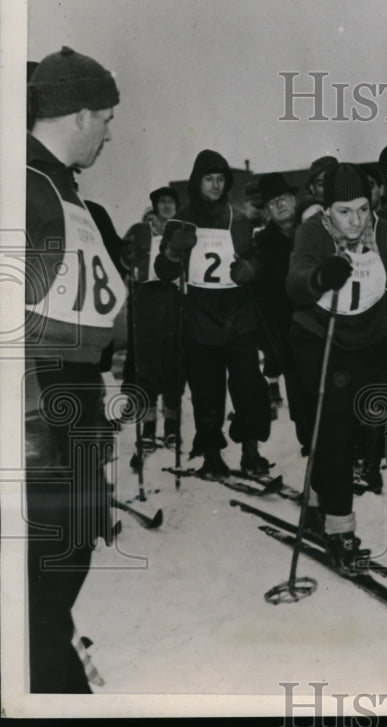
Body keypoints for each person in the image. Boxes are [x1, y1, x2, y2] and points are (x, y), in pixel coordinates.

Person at [285, 163, 387, 573]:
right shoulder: (313, 232)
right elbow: (295, 280)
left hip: (366, 340)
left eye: (362, 208)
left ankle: (321, 498)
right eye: (345, 211)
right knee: (334, 429)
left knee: (358, 428)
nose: (356, 220)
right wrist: (320, 275)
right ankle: (340, 527)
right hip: (318, 338)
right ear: (328, 211)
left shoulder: (381, 230)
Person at [24, 45, 124, 692]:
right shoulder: (26, 189)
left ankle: (49, 646)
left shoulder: (68, 195)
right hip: (40, 410)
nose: (111, 131)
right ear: (80, 113)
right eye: (108, 117)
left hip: (76, 401)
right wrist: (33, 421)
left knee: (71, 550)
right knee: (45, 568)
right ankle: (50, 678)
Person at [154, 149, 272, 477]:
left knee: (249, 384)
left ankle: (251, 449)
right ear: (197, 181)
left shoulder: (239, 219)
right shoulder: (180, 221)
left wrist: (250, 267)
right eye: (209, 179)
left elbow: (257, 259)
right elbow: (163, 271)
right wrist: (173, 249)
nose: (216, 185)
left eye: (221, 179)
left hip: (238, 314)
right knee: (207, 389)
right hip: (198, 316)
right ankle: (211, 454)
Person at [121, 185, 183, 457]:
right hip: (146, 296)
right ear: (155, 206)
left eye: (171, 202)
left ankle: (172, 425)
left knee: (174, 363)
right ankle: (148, 428)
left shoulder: (183, 230)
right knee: (147, 365)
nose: (167, 206)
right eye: (163, 202)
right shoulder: (142, 230)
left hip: (175, 298)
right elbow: (124, 255)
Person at [251, 172, 311, 451]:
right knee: (300, 397)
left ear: (294, 199)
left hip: (324, 325)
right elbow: (263, 300)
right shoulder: (262, 244)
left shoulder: (314, 230)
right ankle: (310, 447)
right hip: (288, 333)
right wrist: (272, 342)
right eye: (272, 203)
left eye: (283, 199)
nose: (279, 206)